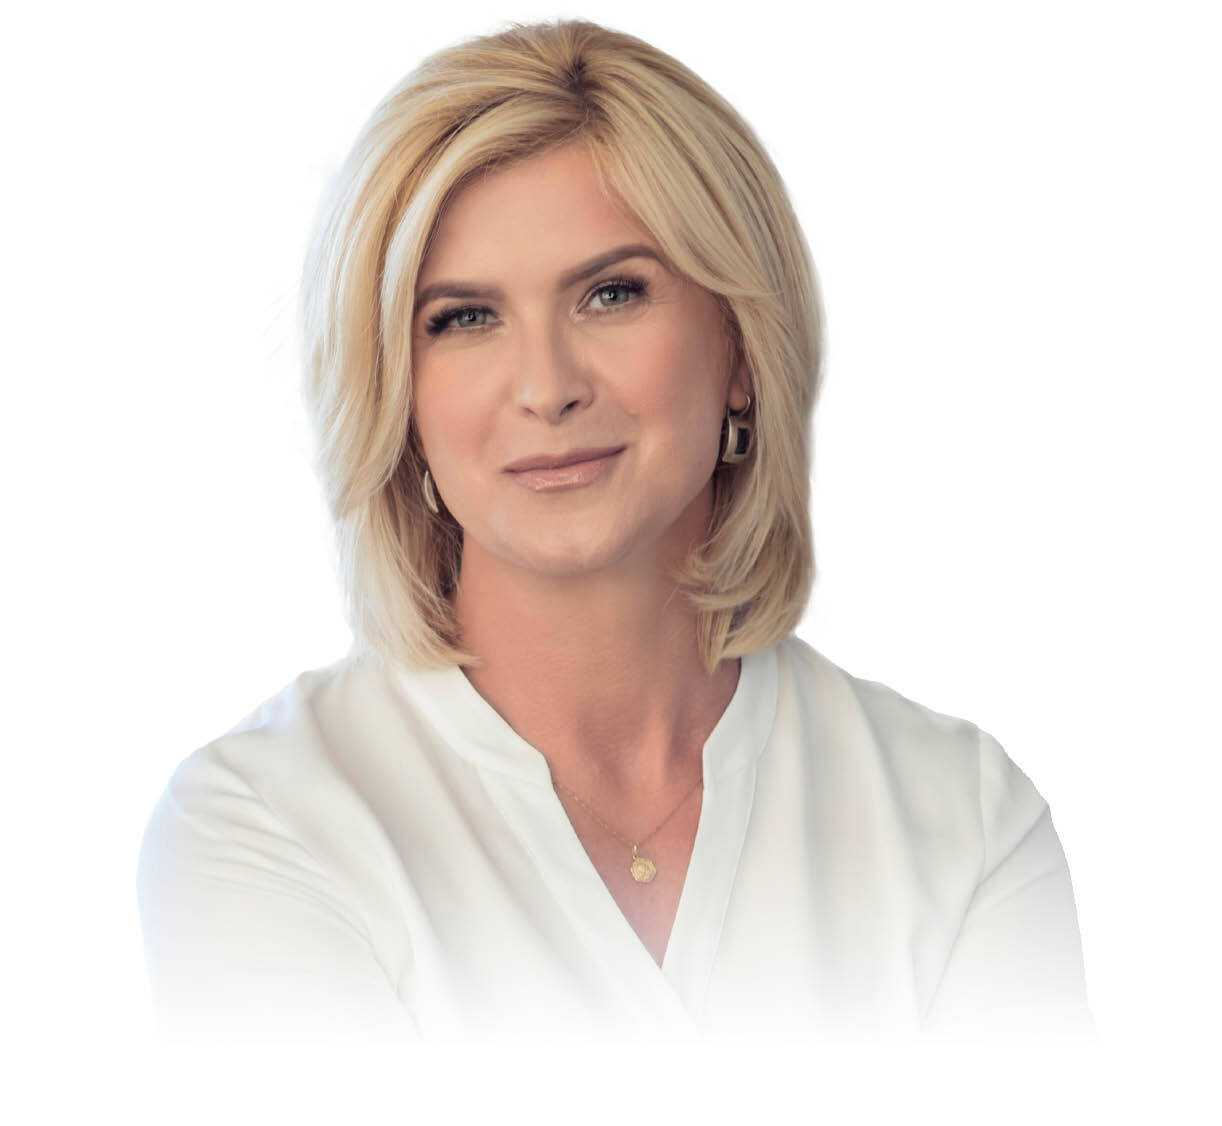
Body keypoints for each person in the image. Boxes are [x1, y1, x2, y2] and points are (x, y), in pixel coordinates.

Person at [135, 17, 1094, 1043]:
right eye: (463, 318)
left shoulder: (961, 820)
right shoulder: (270, 822)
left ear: (739, 349)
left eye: (611, 294)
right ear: (397, 394)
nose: (547, 387)